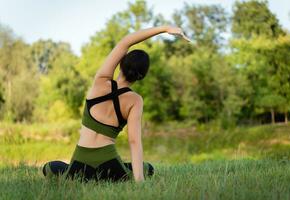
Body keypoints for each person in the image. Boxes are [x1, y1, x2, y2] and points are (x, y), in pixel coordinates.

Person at [42, 25, 190, 183]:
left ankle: (84, 177)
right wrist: (139, 182)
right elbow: (134, 141)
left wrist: (165, 28)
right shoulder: (135, 101)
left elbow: (125, 42)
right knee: (148, 168)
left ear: (121, 64)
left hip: (81, 164)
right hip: (110, 165)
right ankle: (112, 176)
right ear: (141, 77)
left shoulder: (100, 82)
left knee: (50, 167)